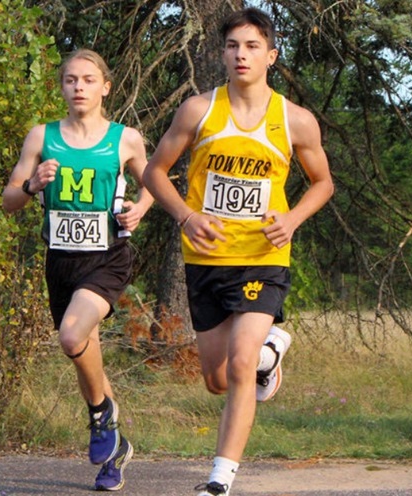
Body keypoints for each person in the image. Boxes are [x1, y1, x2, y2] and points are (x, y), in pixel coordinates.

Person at [142, 7, 333, 496]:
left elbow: (323, 183)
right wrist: (186, 215)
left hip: (263, 257)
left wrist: (291, 219)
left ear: (271, 55)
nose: (241, 55)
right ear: (222, 54)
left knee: (241, 363)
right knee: (217, 378)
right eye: (233, 46)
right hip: (207, 256)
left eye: (251, 47)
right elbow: (154, 172)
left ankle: (219, 479)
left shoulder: (295, 119)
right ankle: (273, 354)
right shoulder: (198, 110)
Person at [2, 49, 154, 491]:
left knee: (71, 336)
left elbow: (155, 184)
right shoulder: (41, 137)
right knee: (84, 350)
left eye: (88, 80)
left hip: (107, 257)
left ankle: (100, 415)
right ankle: (116, 450)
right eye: (71, 80)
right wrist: (32, 186)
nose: (79, 87)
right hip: (61, 262)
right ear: (62, 87)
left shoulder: (125, 139)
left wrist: (139, 210)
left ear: (105, 87)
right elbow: (9, 201)